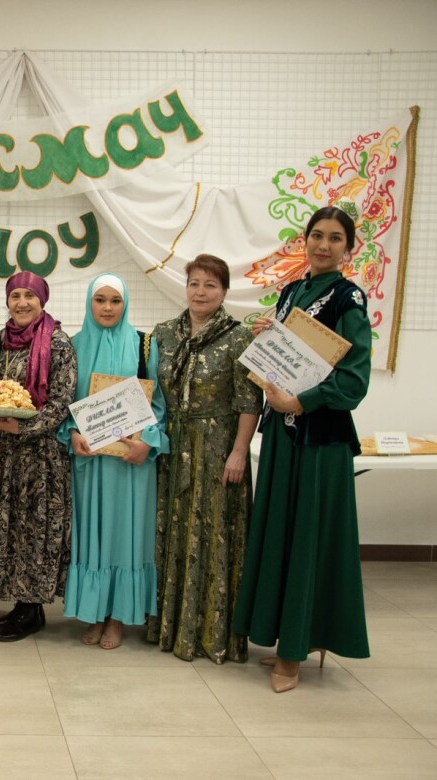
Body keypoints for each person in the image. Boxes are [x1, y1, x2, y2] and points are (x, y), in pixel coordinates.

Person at [233, 205, 372, 693]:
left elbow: (353, 379)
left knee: (308, 534)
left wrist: (302, 402)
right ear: (305, 239)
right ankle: (288, 636)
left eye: (335, 238)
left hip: (319, 438)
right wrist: (267, 340)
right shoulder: (293, 291)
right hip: (284, 434)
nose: (323, 245)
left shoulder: (349, 298)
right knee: (282, 532)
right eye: (317, 235)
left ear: (348, 248)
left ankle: (295, 651)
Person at [146, 254, 262, 663]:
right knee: (172, 532)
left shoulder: (239, 337)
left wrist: (239, 452)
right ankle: (168, 626)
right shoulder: (164, 334)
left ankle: (213, 634)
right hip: (172, 446)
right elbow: (149, 391)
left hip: (217, 449)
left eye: (210, 285)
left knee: (212, 535)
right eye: (194, 283)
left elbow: (250, 401)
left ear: (224, 291)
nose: (200, 292)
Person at [60, 273, 168, 650]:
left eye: (115, 301)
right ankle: (95, 612)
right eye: (100, 300)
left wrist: (148, 443)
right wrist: (71, 433)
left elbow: (159, 404)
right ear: (89, 303)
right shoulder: (74, 346)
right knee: (93, 535)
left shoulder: (144, 345)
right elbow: (65, 403)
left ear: (126, 304)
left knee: (126, 536)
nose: (107, 308)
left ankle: (118, 617)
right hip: (91, 461)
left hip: (131, 462)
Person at [0, 272, 77, 641]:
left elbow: (62, 403)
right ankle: (19, 604)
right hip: (4, 454)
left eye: (29, 296)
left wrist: (22, 428)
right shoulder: (1, 340)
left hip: (41, 456)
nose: (21, 303)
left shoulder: (59, 343)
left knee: (36, 529)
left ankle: (32, 610)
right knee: (10, 526)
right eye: (15, 296)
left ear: (42, 300)